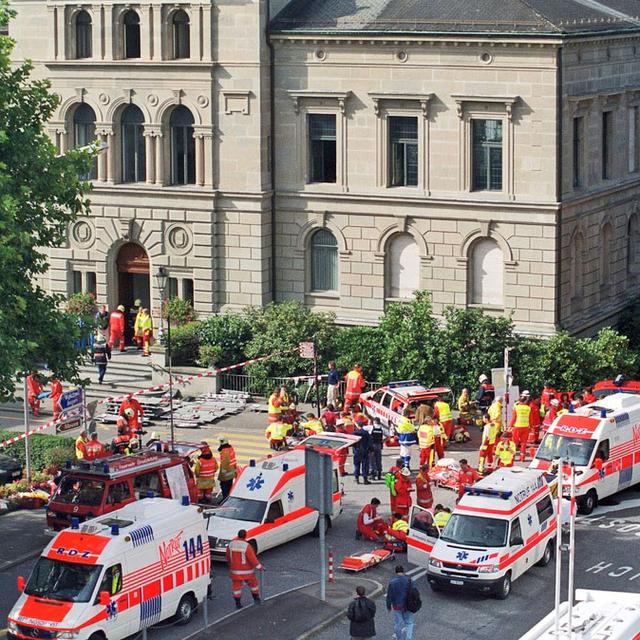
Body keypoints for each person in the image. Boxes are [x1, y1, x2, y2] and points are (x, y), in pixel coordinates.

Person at [226, 529, 264, 609]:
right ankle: (256, 599)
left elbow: (228, 557)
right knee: (253, 585)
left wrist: (230, 565)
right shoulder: (246, 546)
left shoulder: (231, 544)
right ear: (245, 536)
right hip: (247, 571)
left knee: (236, 588)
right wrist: (260, 567)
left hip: (235, 571)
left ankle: (238, 603)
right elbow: (252, 558)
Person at [386, 565, 414, 640]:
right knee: (409, 623)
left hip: (397, 606)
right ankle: (408, 638)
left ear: (396, 572)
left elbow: (389, 596)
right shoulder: (409, 580)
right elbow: (414, 592)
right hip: (408, 605)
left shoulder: (392, 583)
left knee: (397, 623)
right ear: (403, 571)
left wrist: (388, 606)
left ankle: (398, 638)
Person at [509, 392, 532, 463]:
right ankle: (522, 458)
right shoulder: (528, 408)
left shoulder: (516, 407)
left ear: (519, 401)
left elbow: (513, 418)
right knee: (523, 443)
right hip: (526, 427)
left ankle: (512, 457)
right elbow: (530, 418)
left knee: (514, 443)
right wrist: (530, 426)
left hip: (517, 426)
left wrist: (510, 426)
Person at [353, 420, 371, 484]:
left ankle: (356, 478)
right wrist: (371, 450)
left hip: (357, 450)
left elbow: (353, 443)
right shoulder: (366, 433)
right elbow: (369, 442)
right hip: (365, 450)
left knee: (357, 464)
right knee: (365, 465)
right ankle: (365, 479)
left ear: (357, 425)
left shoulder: (355, 433)